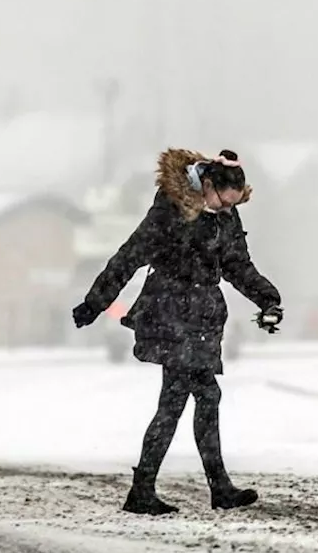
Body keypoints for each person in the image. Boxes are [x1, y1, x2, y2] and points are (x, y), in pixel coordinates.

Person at [72, 148, 283, 516]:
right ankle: (198, 489)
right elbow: (129, 256)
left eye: (233, 205)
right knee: (192, 396)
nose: (225, 210)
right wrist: (95, 303)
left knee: (192, 398)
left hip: (202, 315)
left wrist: (267, 298)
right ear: (209, 184)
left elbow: (237, 265)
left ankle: (172, 489)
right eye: (223, 201)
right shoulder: (169, 210)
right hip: (169, 310)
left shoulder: (225, 217)